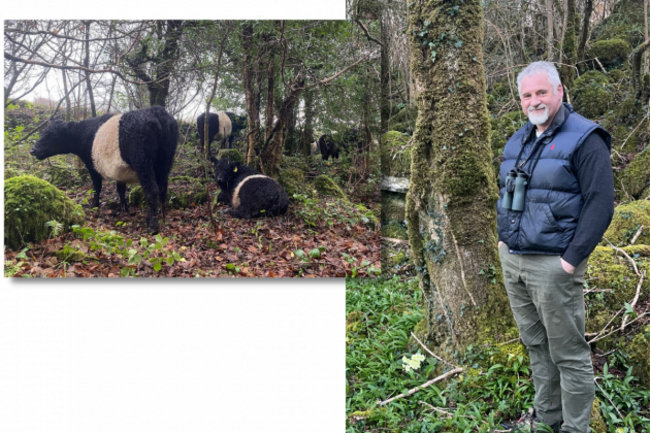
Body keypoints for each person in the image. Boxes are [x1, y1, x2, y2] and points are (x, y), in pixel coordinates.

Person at [496, 61, 615, 433]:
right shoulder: (518, 140)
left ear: (559, 91)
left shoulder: (585, 138)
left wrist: (570, 261)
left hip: (554, 265)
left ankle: (576, 428)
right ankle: (547, 418)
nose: (535, 101)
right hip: (514, 260)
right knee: (535, 345)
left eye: (541, 92)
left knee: (568, 353)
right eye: (527, 95)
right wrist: (503, 241)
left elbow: (601, 203)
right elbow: (507, 193)